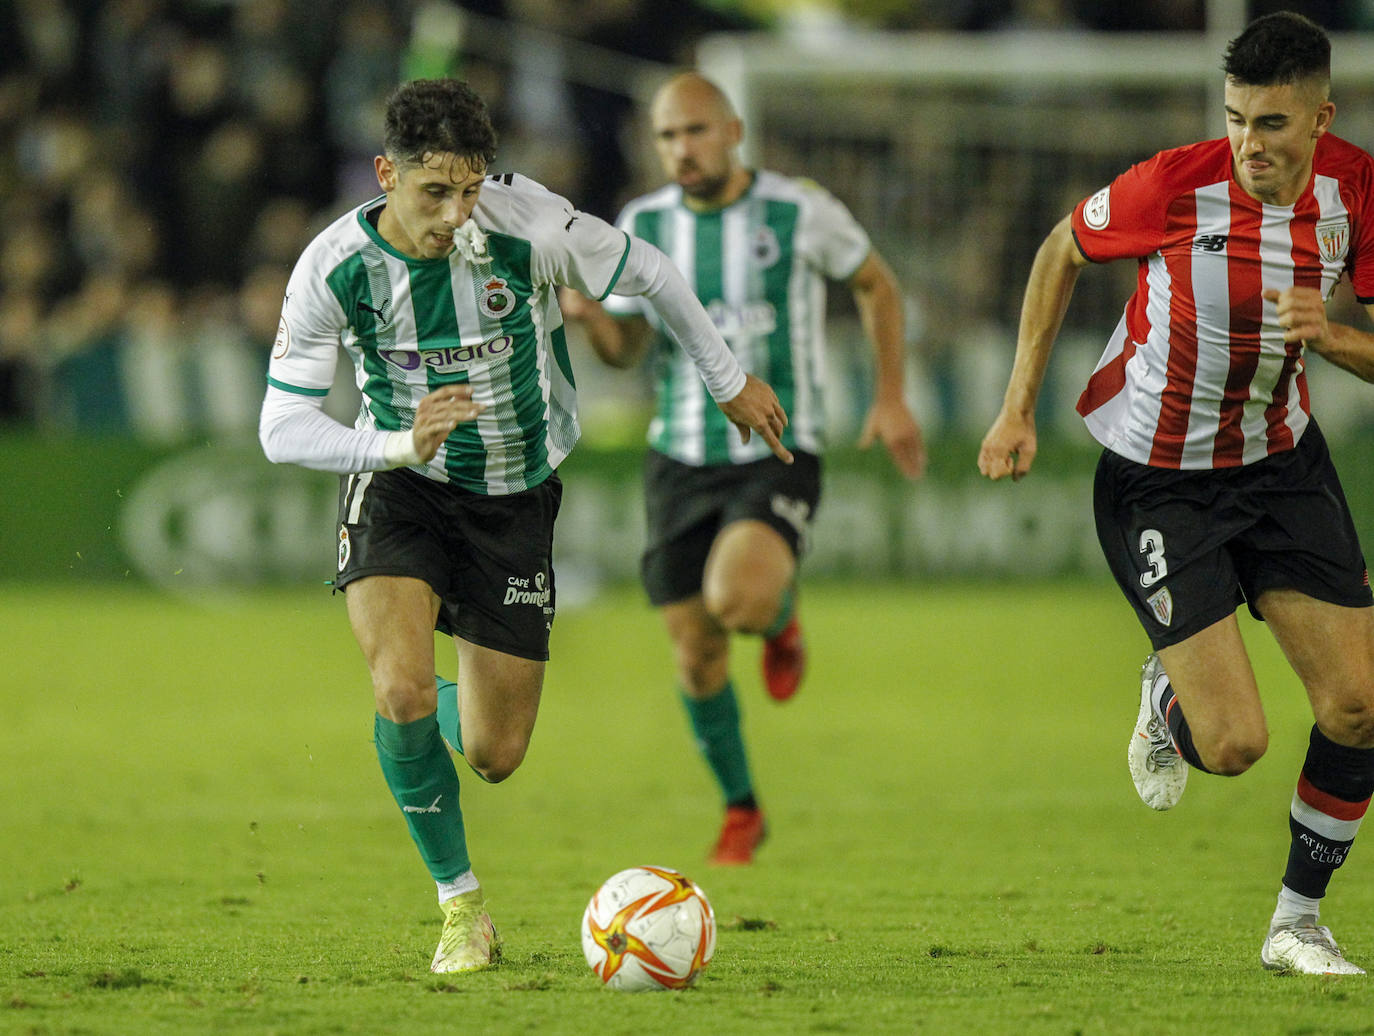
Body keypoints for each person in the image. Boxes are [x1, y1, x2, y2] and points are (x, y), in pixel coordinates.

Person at [258, 78, 792, 974]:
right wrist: (393, 444)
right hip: (399, 483)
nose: (456, 213)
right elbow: (281, 427)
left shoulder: (528, 226)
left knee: (494, 755)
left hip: (515, 494)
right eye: (435, 193)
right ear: (386, 174)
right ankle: (461, 908)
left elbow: (654, 273)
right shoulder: (333, 267)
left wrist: (726, 377)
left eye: (470, 190)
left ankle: (439, 718)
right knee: (400, 688)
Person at [978, 12, 1374, 975]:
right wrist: (1016, 408)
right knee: (1233, 743)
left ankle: (1296, 924)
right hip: (1158, 481)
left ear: (1321, 117)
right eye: (1237, 118)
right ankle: (1169, 704)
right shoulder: (1175, 182)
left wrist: (1333, 338)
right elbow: (1059, 251)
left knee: (1360, 705)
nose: (1251, 144)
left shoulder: (1358, 193)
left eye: (1274, 123)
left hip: (1281, 465)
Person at [561, 72, 926, 866]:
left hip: (778, 446)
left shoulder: (799, 210)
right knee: (696, 654)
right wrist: (592, 322)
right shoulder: (642, 224)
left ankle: (779, 611)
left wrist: (891, 398)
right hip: (679, 455)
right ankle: (741, 809)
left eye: (694, 131)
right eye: (666, 137)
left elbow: (876, 283)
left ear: (732, 130)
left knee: (739, 599)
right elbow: (627, 353)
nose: (680, 150)